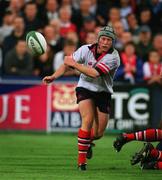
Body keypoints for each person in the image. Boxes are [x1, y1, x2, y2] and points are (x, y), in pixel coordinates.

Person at [43, 26, 120, 171]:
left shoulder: (113, 57)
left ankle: (87, 142)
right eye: (103, 39)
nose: (105, 42)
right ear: (98, 39)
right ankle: (81, 163)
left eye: (109, 40)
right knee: (87, 120)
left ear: (112, 42)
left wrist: (75, 65)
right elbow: (67, 63)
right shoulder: (86, 49)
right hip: (84, 87)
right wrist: (54, 76)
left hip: (103, 92)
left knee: (98, 133)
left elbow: (94, 73)